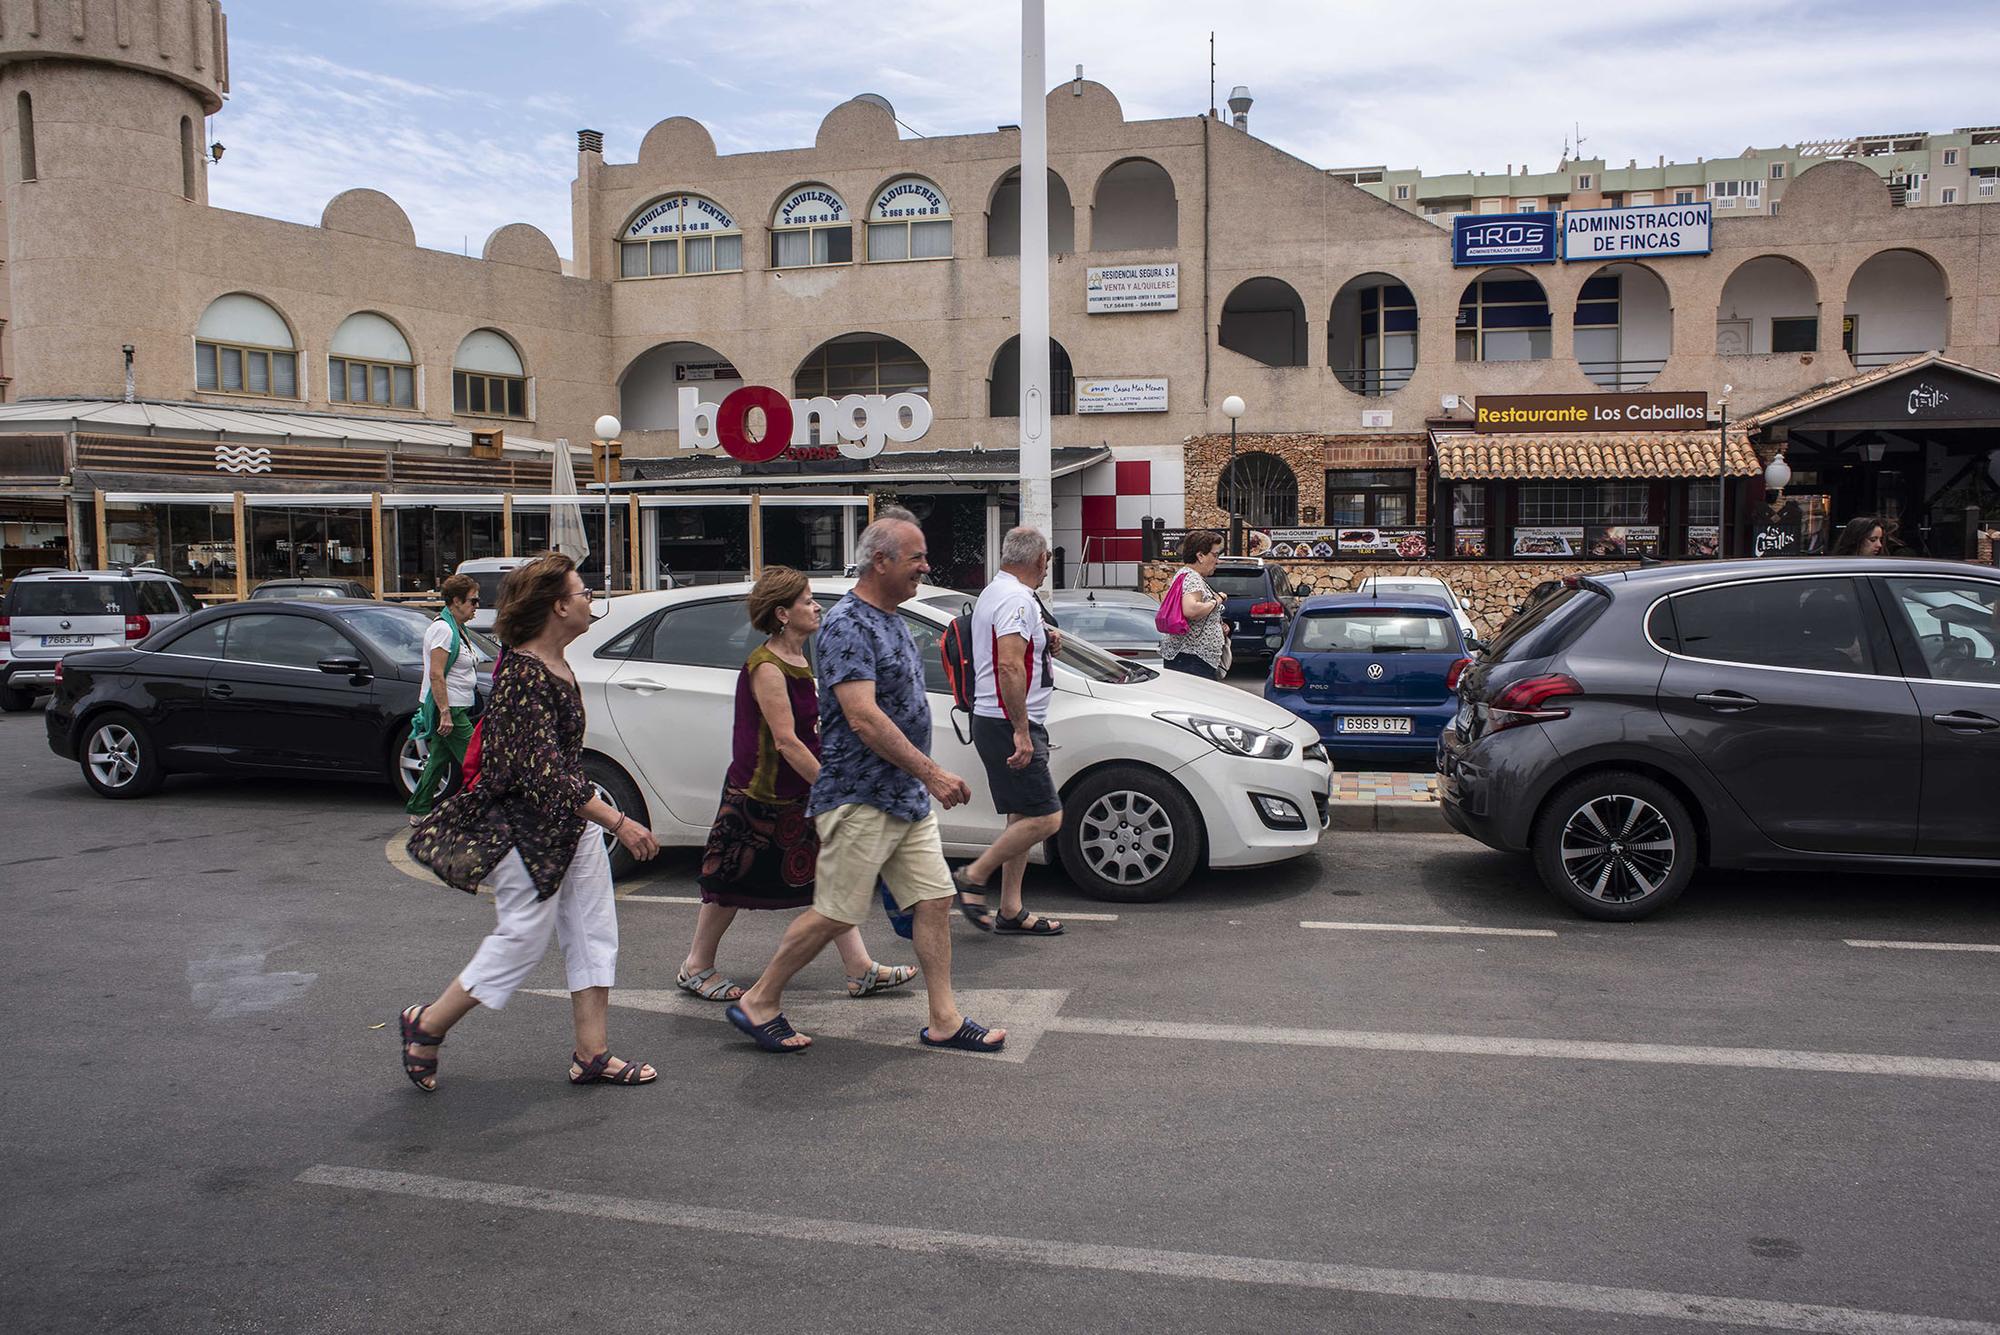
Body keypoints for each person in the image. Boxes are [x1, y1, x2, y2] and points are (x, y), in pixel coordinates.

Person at [724, 507, 1005, 1055]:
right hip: (860, 796)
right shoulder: (849, 624)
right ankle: (760, 1000)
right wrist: (933, 773)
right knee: (836, 911)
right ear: (881, 560)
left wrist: (920, 781)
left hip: (901, 797)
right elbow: (862, 716)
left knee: (934, 899)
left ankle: (944, 1019)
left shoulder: (893, 620)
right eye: (916, 556)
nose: (926, 565)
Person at [398, 553, 662, 1092]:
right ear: (558, 605)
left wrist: (595, 820)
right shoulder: (523, 676)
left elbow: (560, 766)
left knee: (594, 933)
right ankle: (426, 1025)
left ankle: (592, 1054)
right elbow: (541, 773)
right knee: (521, 937)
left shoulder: (557, 665)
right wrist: (620, 822)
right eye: (582, 591)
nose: (591, 599)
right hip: (524, 831)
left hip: (569, 825)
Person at [684, 565, 919, 1003]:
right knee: (729, 886)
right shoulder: (767, 666)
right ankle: (696, 966)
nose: (817, 607)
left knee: (827, 880)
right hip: (760, 794)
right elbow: (787, 741)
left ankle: (860, 968)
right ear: (782, 614)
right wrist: (830, 788)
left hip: (796, 794)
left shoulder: (798, 658)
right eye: (807, 601)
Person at [950, 526, 1066, 937]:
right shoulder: (1017, 598)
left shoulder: (998, 593)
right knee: (1048, 818)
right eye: (1048, 558)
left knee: (1022, 814)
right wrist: (1020, 731)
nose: (1048, 564)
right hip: (1008, 722)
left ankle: (1011, 909)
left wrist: (1043, 639)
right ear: (1039, 560)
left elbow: (1012, 651)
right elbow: (1008, 665)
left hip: (1000, 719)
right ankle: (973, 876)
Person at [405, 573, 483, 825]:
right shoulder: (443, 629)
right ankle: (488, 810)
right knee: (475, 759)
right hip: (450, 709)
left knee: (438, 759)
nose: (476, 606)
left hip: (455, 706)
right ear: (456, 601)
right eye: (473, 601)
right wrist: (446, 712)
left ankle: (418, 809)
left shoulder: (456, 628)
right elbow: (436, 674)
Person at [1160, 529, 1229, 680]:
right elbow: (1191, 610)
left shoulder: (1187, 574)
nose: (1217, 560)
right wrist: (1216, 600)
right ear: (1200, 556)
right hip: (1192, 661)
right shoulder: (1193, 578)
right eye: (1215, 555)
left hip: (1190, 658)